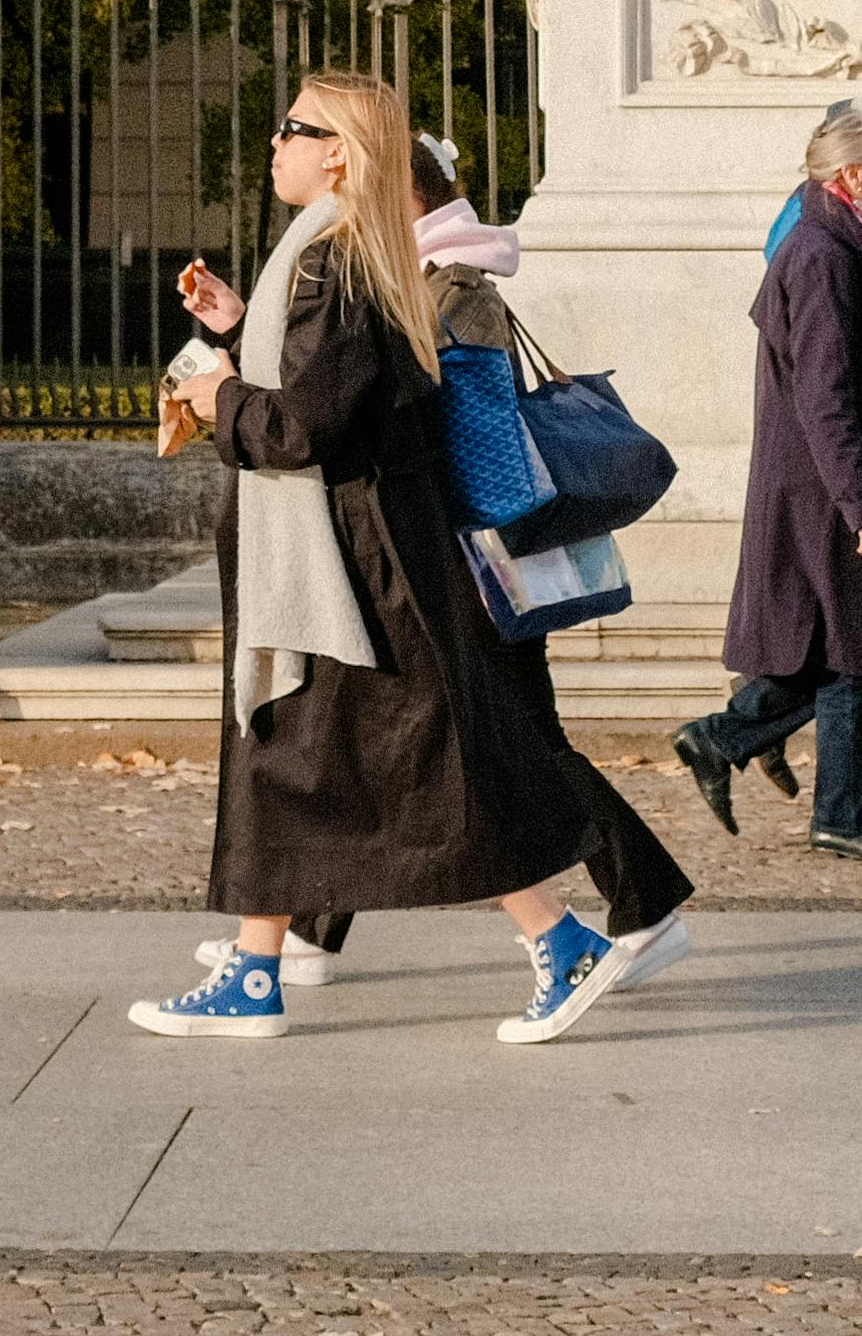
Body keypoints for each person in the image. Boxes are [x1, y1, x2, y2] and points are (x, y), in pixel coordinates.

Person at [133, 70, 626, 1046]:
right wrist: (238, 337)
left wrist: (217, 394)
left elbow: (305, 424)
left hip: (354, 568)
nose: (273, 141)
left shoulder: (335, 260)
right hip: (349, 559)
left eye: (293, 127)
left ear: (339, 155)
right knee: (292, 755)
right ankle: (256, 965)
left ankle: (561, 938)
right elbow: (328, 384)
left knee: (410, 769)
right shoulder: (335, 256)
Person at [223, 139, 698, 1007]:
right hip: (438, 540)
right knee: (403, 741)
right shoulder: (422, 273)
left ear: (404, 193)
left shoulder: (444, 283)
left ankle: (640, 901)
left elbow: (374, 410)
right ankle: (294, 931)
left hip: (460, 548)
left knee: (495, 743)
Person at [674, 91, 862, 865]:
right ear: (853, 175)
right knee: (855, 647)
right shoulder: (823, 257)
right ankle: (835, 809)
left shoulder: (840, 244)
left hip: (831, 477)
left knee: (841, 644)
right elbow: (826, 396)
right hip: (831, 485)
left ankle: (734, 744)